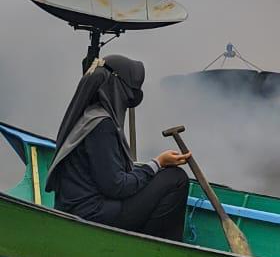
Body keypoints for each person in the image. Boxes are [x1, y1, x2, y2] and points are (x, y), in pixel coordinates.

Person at [45, 54, 190, 241]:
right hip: (94, 215)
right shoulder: (101, 125)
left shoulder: (88, 116)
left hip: (84, 208)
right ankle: (153, 247)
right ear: (116, 88)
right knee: (175, 178)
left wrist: (152, 168)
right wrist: (157, 163)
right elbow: (116, 187)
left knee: (160, 176)